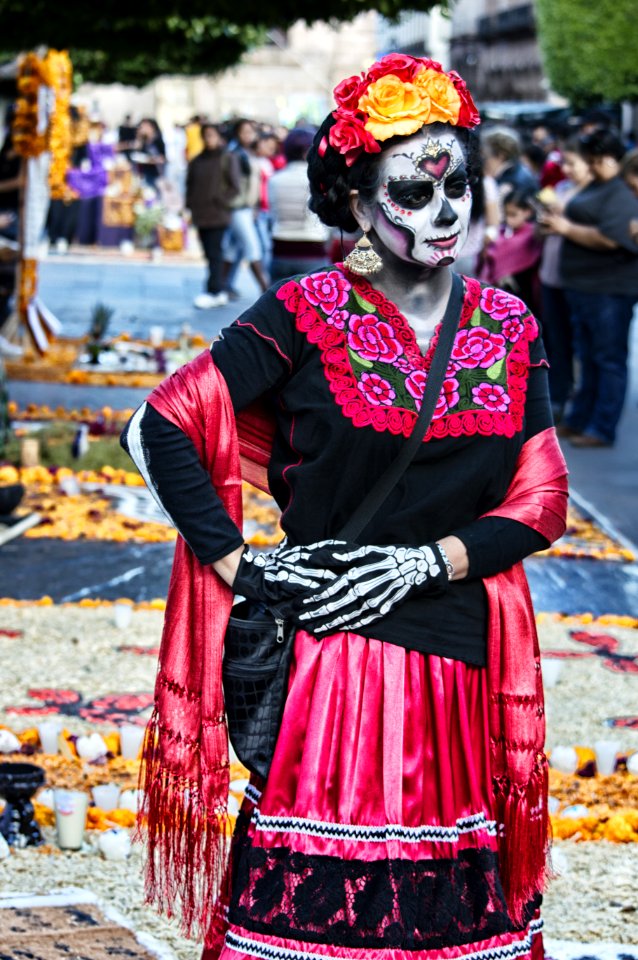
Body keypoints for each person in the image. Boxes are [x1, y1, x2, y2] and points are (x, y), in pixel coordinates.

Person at [121, 54, 568, 960]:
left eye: (459, 187)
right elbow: (159, 427)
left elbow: (544, 497)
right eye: (416, 189)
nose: (447, 212)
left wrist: (425, 560)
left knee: (452, 924)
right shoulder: (308, 310)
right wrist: (238, 562)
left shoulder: (508, 324)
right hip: (333, 664)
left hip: (459, 652)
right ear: (362, 204)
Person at [540, 128, 638, 447]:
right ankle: (581, 418)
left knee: (607, 358)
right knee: (589, 356)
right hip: (584, 286)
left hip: (608, 289)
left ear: (607, 158)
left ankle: (601, 426)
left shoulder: (619, 192)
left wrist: (567, 228)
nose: (591, 166)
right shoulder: (600, 186)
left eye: (594, 161)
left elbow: (612, 238)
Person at [537, 138, 593, 421]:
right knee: (556, 341)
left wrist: (565, 225)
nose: (567, 169)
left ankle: (578, 402)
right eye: (565, 163)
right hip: (551, 274)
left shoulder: (596, 195)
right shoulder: (560, 189)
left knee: (580, 344)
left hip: (579, 280)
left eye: (573, 163)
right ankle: (557, 399)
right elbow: (544, 228)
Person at [186, 124, 241, 309]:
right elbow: (190, 186)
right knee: (209, 253)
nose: (209, 139)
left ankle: (215, 289)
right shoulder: (197, 160)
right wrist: (190, 206)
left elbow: (235, 186)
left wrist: (221, 201)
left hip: (218, 214)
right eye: (206, 135)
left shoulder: (227, 157)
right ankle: (216, 288)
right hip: (201, 214)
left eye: (212, 135)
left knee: (215, 252)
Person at [268, 127, 330, 282]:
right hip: (312, 249)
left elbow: (272, 213)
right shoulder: (317, 180)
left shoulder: (274, 180)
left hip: (281, 249)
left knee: (279, 304)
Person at [222, 119, 269, 298]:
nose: (248, 136)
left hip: (247, 208)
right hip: (237, 208)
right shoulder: (235, 154)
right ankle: (265, 288)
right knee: (253, 248)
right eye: (245, 132)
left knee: (232, 249)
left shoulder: (248, 153)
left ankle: (221, 286)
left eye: (251, 132)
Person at [479, 189, 542, 312]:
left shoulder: (532, 233)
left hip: (525, 286)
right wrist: (486, 247)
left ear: (527, 212)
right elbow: (489, 257)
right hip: (503, 289)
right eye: (506, 214)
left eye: (513, 215)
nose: (508, 219)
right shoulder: (501, 232)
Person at [482, 127, 538, 212]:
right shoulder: (518, 172)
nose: (485, 161)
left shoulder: (511, 181)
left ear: (501, 155)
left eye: (487, 156)